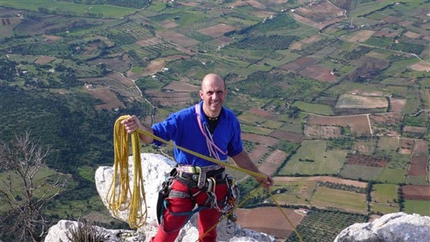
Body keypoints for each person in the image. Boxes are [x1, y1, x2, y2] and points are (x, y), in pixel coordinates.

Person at [121, 73, 274, 242]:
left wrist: (257, 175)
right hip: (186, 182)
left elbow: (237, 153)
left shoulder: (230, 120)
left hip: (215, 185)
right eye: (210, 93)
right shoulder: (183, 119)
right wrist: (139, 127)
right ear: (201, 94)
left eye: (219, 92)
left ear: (226, 93)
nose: (215, 97)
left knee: (208, 236)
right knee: (167, 232)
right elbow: (153, 136)